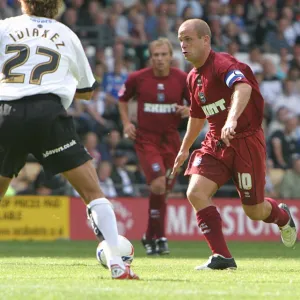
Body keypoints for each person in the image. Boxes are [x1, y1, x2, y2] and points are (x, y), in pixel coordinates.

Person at [0, 0, 138, 280]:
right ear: (56, 7)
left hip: (6, 113)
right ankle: (117, 264)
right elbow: (87, 91)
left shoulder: (4, 27)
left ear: (24, 4)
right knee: (93, 193)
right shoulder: (66, 34)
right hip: (48, 114)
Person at [172, 19, 297, 270]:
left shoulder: (223, 64)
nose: (183, 46)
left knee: (254, 211)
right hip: (216, 141)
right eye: (181, 40)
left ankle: (282, 216)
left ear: (205, 40)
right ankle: (222, 257)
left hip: (246, 141)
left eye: (188, 39)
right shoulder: (192, 78)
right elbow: (197, 116)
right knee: (195, 192)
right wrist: (184, 148)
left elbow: (243, 88)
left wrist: (231, 119)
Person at [118, 38, 190, 255]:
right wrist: (126, 123)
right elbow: (122, 99)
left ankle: (152, 236)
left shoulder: (182, 78)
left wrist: (188, 110)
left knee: (164, 192)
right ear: (151, 57)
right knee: (158, 185)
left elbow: (196, 103)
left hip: (171, 140)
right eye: (155, 55)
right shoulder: (138, 78)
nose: (159, 59)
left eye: (163, 55)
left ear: (171, 57)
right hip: (146, 139)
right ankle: (159, 237)